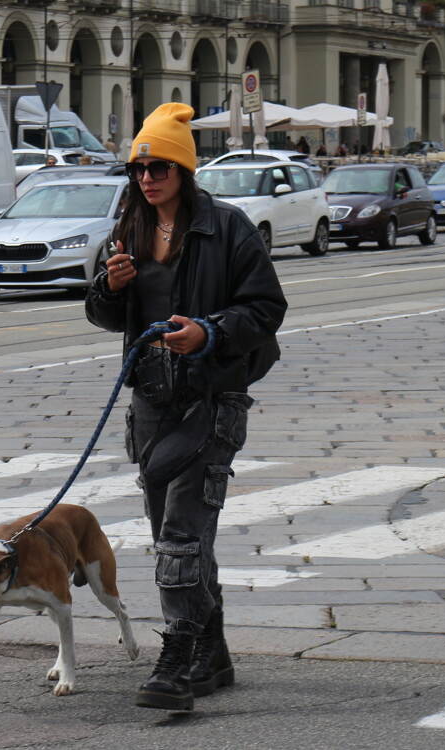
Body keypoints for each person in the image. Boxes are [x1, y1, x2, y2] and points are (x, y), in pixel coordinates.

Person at [85, 103, 288, 712]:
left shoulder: (227, 227)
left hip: (210, 398)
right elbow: (100, 315)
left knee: (180, 533)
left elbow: (266, 308)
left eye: (160, 167)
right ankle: (213, 649)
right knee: (175, 534)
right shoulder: (128, 231)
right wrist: (109, 288)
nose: (147, 178)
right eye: (139, 168)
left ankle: (177, 655)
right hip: (150, 401)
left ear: (183, 169)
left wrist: (209, 334)